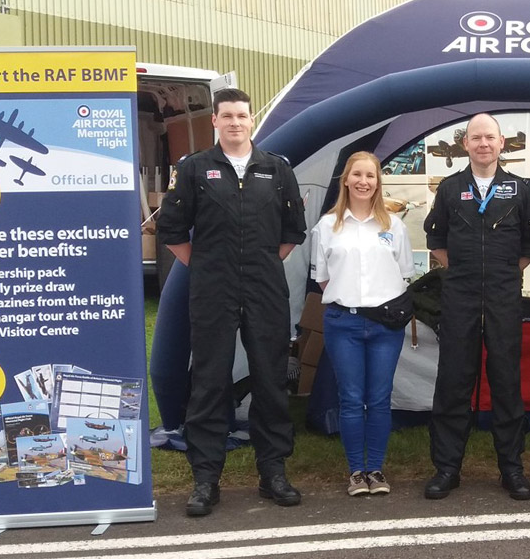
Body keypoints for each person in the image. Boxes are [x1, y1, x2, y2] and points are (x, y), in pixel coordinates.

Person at [157, 88, 307, 517]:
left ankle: (273, 471)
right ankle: (206, 478)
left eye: (243, 115)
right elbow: (171, 231)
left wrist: (256, 263)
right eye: (228, 116)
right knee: (208, 382)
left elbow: (291, 232)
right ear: (216, 122)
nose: (236, 122)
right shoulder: (194, 169)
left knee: (270, 380)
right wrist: (205, 265)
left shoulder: (276, 169)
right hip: (212, 291)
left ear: (251, 121)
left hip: (264, 290)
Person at [422, 113, 530, 500]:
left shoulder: (519, 189)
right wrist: (461, 273)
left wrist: (505, 274)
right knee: (453, 382)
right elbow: (435, 240)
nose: (483, 144)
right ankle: (447, 468)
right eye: (476, 138)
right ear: (466, 144)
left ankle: (512, 469)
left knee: (506, 383)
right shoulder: (449, 188)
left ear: (501, 143)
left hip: (503, 298)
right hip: (459, 298)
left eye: (489, 137)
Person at [311, 151, 414, 496]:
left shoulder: (393, 226)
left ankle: (377, 470)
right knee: (352, 399)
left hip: (385, 326)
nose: (363, 182)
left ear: (378, 183)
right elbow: (323, 279)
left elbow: (404, 274)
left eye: (370, 176)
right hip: (344, 324)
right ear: (346, 180)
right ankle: (357, 471)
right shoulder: (326, 227)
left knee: (380, 398)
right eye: (357, 174)